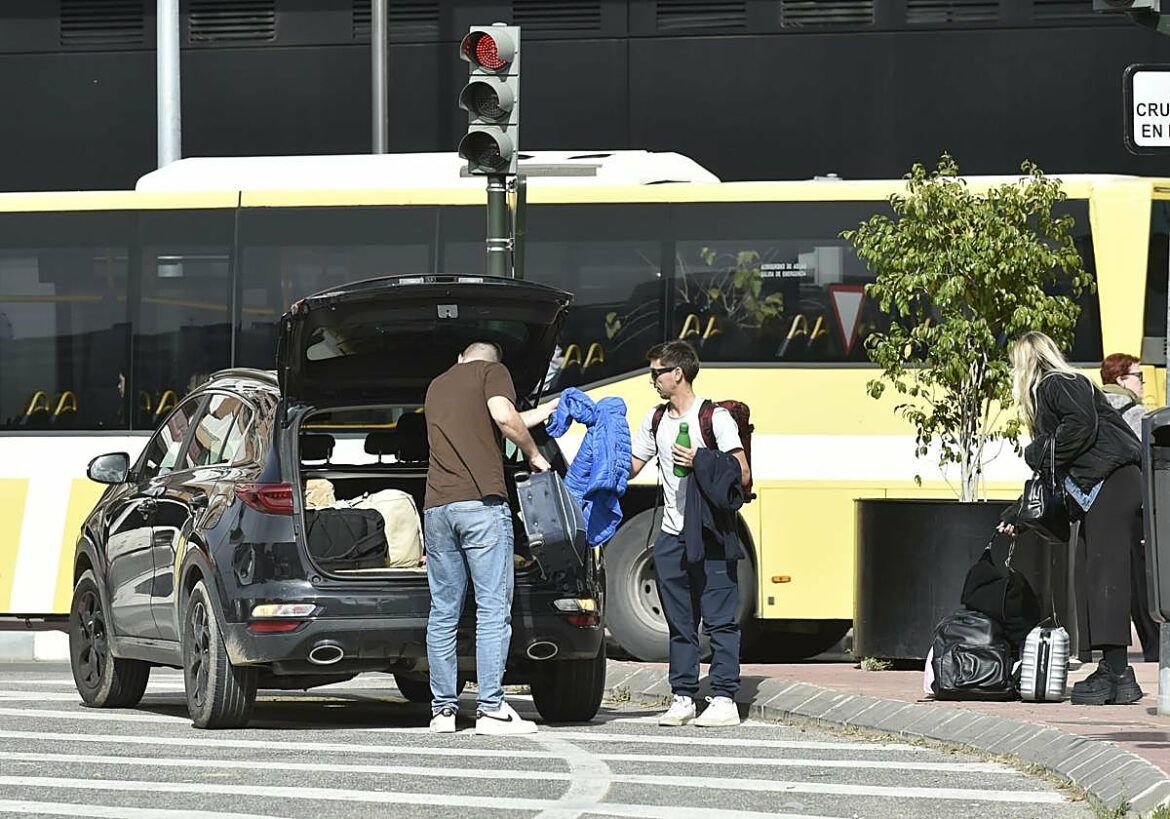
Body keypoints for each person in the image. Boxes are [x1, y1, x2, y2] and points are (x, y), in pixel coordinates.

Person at [423, 341, 557, 735]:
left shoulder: (437, 385)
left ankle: (443, 711)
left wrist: (542, 413)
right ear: (492, 362)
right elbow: (502, 415)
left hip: (437, 509)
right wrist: (533, 454)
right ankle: (491, 709)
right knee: (492, 609)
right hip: (480, 505)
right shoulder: (492, 373)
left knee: (444, 612)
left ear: (459, 356)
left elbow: (499, 415)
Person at [1005, 331, 1144, 705]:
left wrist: (1035, 450)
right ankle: (1115, 672)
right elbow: (1056, 466)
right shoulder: (1063, 386)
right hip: (1106, 484)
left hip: (1110, 482)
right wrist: (1018, 511)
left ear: (1027, 361)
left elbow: (1079, 428)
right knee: (1091, 574)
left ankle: (1117, 672)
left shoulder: (1058, 383)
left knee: (1104, 574)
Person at [629, 340, 750, 727]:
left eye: (656, 373)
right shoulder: (655, 420)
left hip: (711, 531)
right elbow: (632, 466)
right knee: (679, 621)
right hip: (671, 533)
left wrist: (700, 460)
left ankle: (724, 698)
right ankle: (682, 695)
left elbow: (742, 472)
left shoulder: (713, 418)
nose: (653, 380)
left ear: (677, 373)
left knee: (719, 619)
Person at [1099, 352, 1159, 663]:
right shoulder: (1137, 414)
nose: (1143, 383)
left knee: (1120, 574)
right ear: (1121, 380)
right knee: (1144, 574)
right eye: (1138, 376)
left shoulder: (1095, 409)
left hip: (1103, 502)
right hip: (1136, 501)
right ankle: (1154, 645)